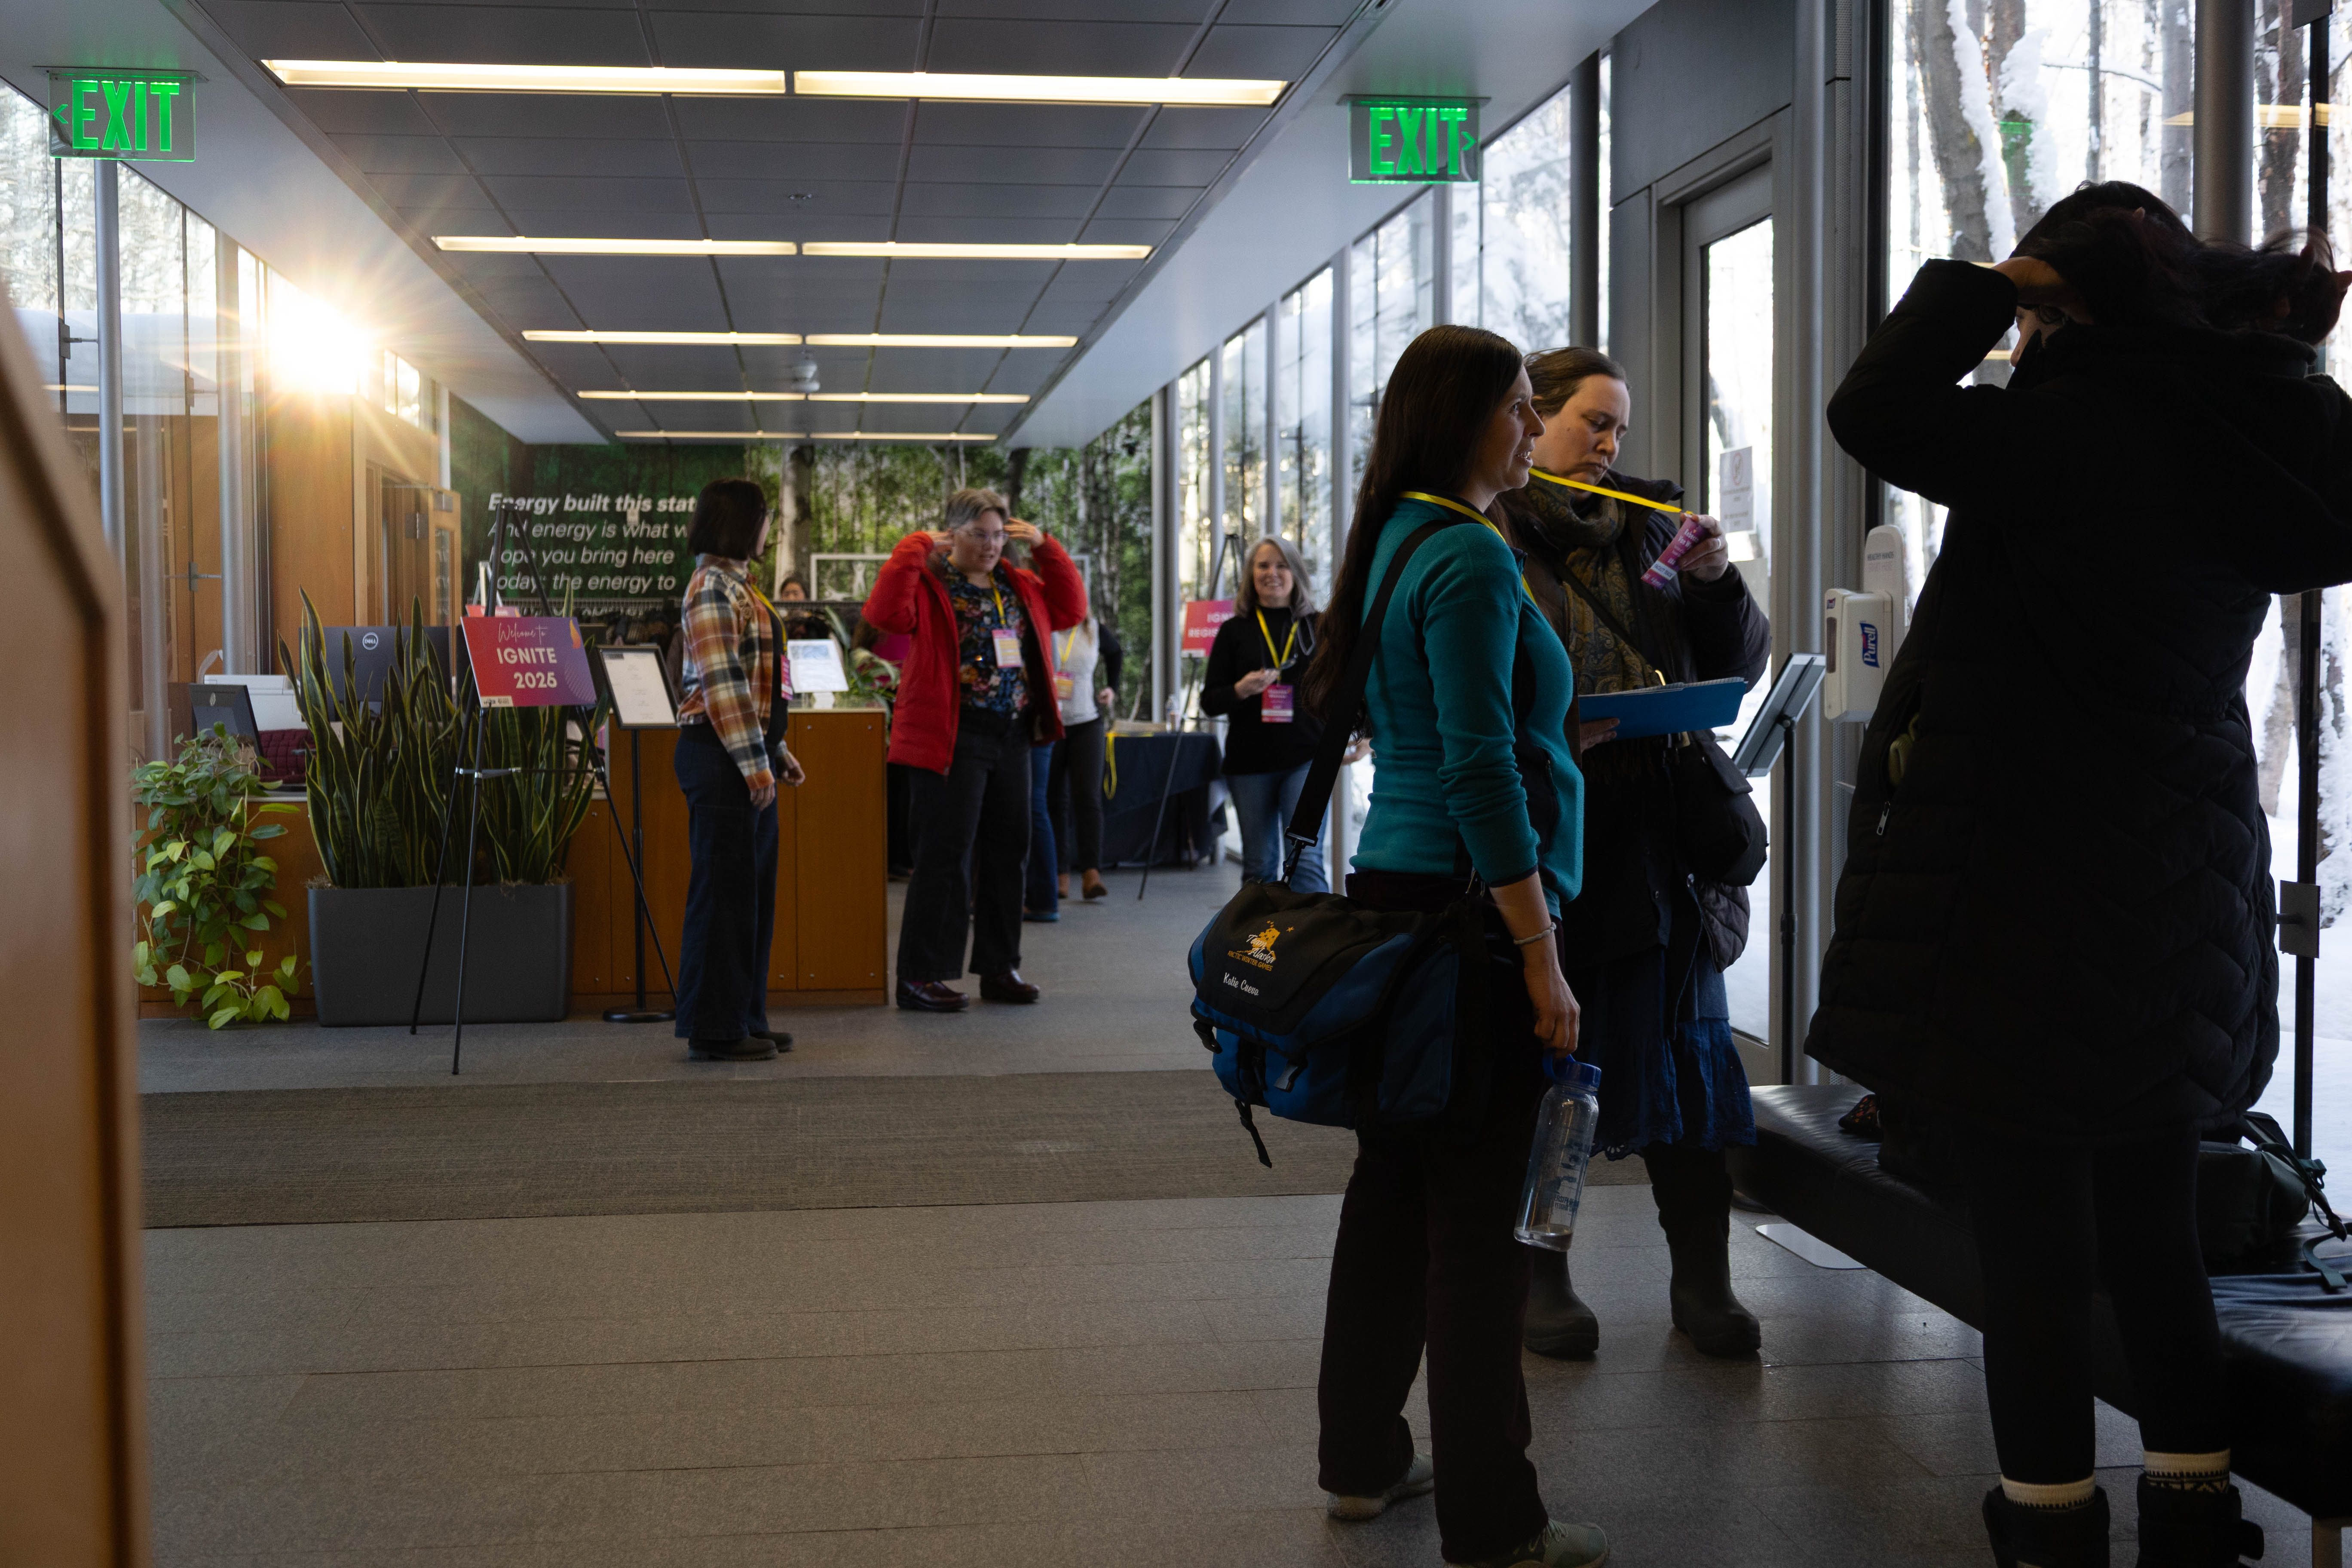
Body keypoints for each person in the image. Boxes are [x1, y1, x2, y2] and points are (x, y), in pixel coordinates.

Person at [1814, 182, 2352, 1568]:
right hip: (2183, 886)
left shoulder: (2060, 436)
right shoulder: (2257, 433)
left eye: (2041, 308)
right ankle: (2190, 1506)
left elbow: (1871, 407)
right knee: (2159, 1221)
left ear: (2072, 300)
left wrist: (1994, 279)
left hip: (2022, 892)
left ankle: (2051, 1526)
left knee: (2035, 1247)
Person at [1305, 324, 1606, 1568]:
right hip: (1469, 918)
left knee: (1390, 1193)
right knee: (1476, 1234)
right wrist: (1539, 952)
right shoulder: (1471, 560)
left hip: (1396, 895)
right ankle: (1496, 1520)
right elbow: (1483, 769)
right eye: (1521, 409)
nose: (1535, 429)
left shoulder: (1393, 540)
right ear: (1463, 421)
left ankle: (1363, 1459)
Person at [1496, 347, 1772, 1362]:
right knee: (1561, 1067)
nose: (1608, 444)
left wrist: (1714, 583)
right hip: (1563, 835)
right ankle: (1543, 1274)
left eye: (1618, 426)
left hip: (1665, 835)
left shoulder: (1656, 526)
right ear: (1533, 418)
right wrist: (1555, 735)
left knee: (1690, 1064)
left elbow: (1735, 660)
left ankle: (1701, 1282)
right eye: (1590, 422)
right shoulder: (1493, 530)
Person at [863, 488, 1087, 1011]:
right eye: (979, 535)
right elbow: (885, 615)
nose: (990, 547)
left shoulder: (1019, 582)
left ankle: (999, 967)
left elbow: (1071, 609)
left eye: (998, 536)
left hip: (1011, 734)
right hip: (951, 736)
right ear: (953, 535)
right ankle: (921, 976)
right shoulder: (930, 583)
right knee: (945, 856)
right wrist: (915, 548)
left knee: (1010, 852)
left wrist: (1046, 547)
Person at [672, 478, 807, 1061]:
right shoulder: (710, 588)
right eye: (762, 519)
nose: (767, 531)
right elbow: (721, 686)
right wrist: (755, 764)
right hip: (720, 759)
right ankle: (714, 1028)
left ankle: (745, 1016)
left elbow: (750, 684)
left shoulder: (739, 586)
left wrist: (773, 750)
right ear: (739, 523)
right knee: (723, 897)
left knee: (750, 897)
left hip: (742, 755)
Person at [1201, 536, 1331, 893]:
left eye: (1281, 565)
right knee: (1258, 867)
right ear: (1250, 574)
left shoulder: (1319, 627)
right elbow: (1210, 701)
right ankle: (1258, 948)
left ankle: (1316, 946)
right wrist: (1241, 689)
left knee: (1306, 860)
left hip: (1306, 759)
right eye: (1263, 566)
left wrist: (1360, 738)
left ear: (1296, 573)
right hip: (1249, 765)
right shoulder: (1233, 631)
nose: (1272, 573)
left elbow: (1341, 692)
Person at [1043, 609, 1123, 903]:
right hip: (1050, 723)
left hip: (1087, 722)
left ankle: (1092, 874)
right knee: (1054, 801)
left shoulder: (1092, 627)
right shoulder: (1044, 622)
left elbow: (1115, 653)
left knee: (1087, 797)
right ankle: (1059, 874)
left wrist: (1111, 688)